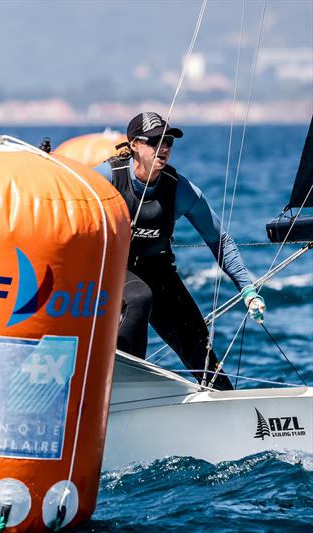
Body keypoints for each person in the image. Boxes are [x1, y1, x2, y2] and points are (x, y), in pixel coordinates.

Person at [93, 112, 266, 390]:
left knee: (196, 339)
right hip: (113, 268)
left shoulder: (179, 189)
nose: (163, 148)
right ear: (135, 144)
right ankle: (126, 385)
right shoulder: (106, 178)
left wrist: (247, 289)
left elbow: (218, 238)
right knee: (139, 297)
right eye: (154, 141)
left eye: (169, 141)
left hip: (157, 269)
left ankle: (223, 402)